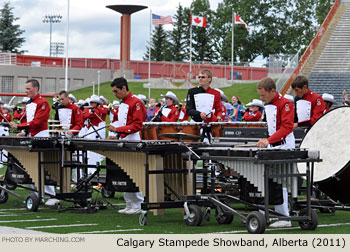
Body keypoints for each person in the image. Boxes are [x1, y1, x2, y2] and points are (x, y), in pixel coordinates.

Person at [9, 79, 58, 205]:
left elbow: (38, 122)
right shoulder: (30, 103)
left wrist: (19, 127)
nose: (26, 91)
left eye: (28, 89)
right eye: (25, 89)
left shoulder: (43, 103)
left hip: (41, 136)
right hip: (32, 136)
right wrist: (25, 132)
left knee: (44, 166)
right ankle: (37, 194)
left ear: (36, 88)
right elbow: (30, 122)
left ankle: (51, 194)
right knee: (30, 167)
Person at [256, 77, 295, 228]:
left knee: (281, 181)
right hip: (273, 145)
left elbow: (286, 128)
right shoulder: (268, 103)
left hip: (284, 146)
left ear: (272, 91)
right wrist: (267, 139)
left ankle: (285, 217)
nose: (261, 98)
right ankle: (262, 213)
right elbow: (272, 126)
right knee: (265, 179)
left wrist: (269, 140)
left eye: (263, 95)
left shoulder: (285, 104)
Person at [107, 77, 146, 215]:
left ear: (124, 88)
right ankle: (129, 203)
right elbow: (122, 122)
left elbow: (137, 125)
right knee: (124, 173)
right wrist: (116, 134)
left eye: (116, 91)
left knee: (133, 173)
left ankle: (138, 203)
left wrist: (117, 130)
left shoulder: (136, 102)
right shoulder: (123, 103)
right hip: (123, 139)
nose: (114, 94)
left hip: (133, 140)